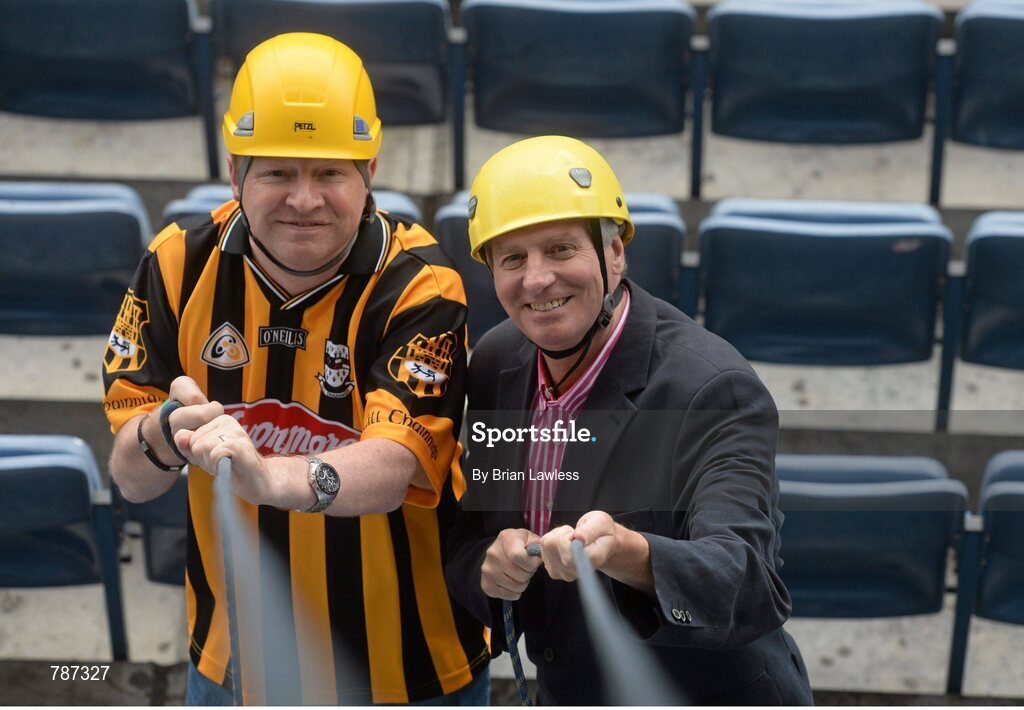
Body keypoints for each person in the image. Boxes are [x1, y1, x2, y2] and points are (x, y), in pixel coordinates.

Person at [102, 33, 488, 705]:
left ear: (370, 170)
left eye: (329, 173)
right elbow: (130, 481)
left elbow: (394, 468)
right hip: (235, 664)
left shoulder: (422, 288)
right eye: (278, 171)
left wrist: (267, 476)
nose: (304, 199)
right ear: (234, 173)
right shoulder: (173, 265)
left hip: (408, 671)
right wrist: (165, 433)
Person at [445, 136, 814, 705]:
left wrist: (628, 552)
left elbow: (746, 582)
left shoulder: (711, 387)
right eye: (512, 258)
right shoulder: (496, 362)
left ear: (615, 253)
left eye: (561, 249)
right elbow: (473, 539)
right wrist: (487, 570)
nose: (537, 279)